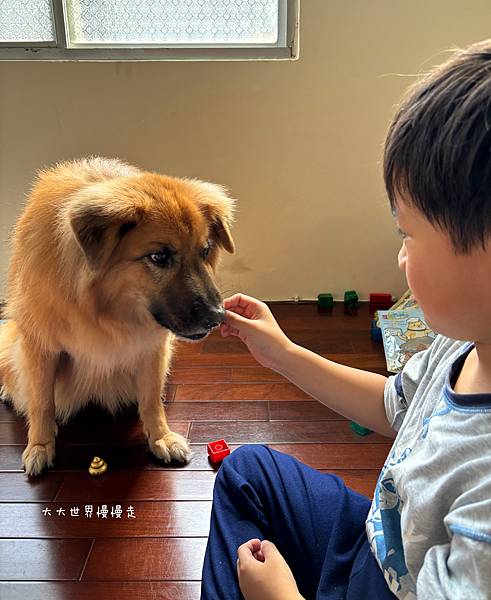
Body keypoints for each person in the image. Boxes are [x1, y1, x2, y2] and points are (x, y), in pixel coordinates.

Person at [200, 39, 491, 600]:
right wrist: (282, 354)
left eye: (407, 234)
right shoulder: (464, 344)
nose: (400, 255)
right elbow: (392, 405)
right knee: (247, 473)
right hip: (379, 547)